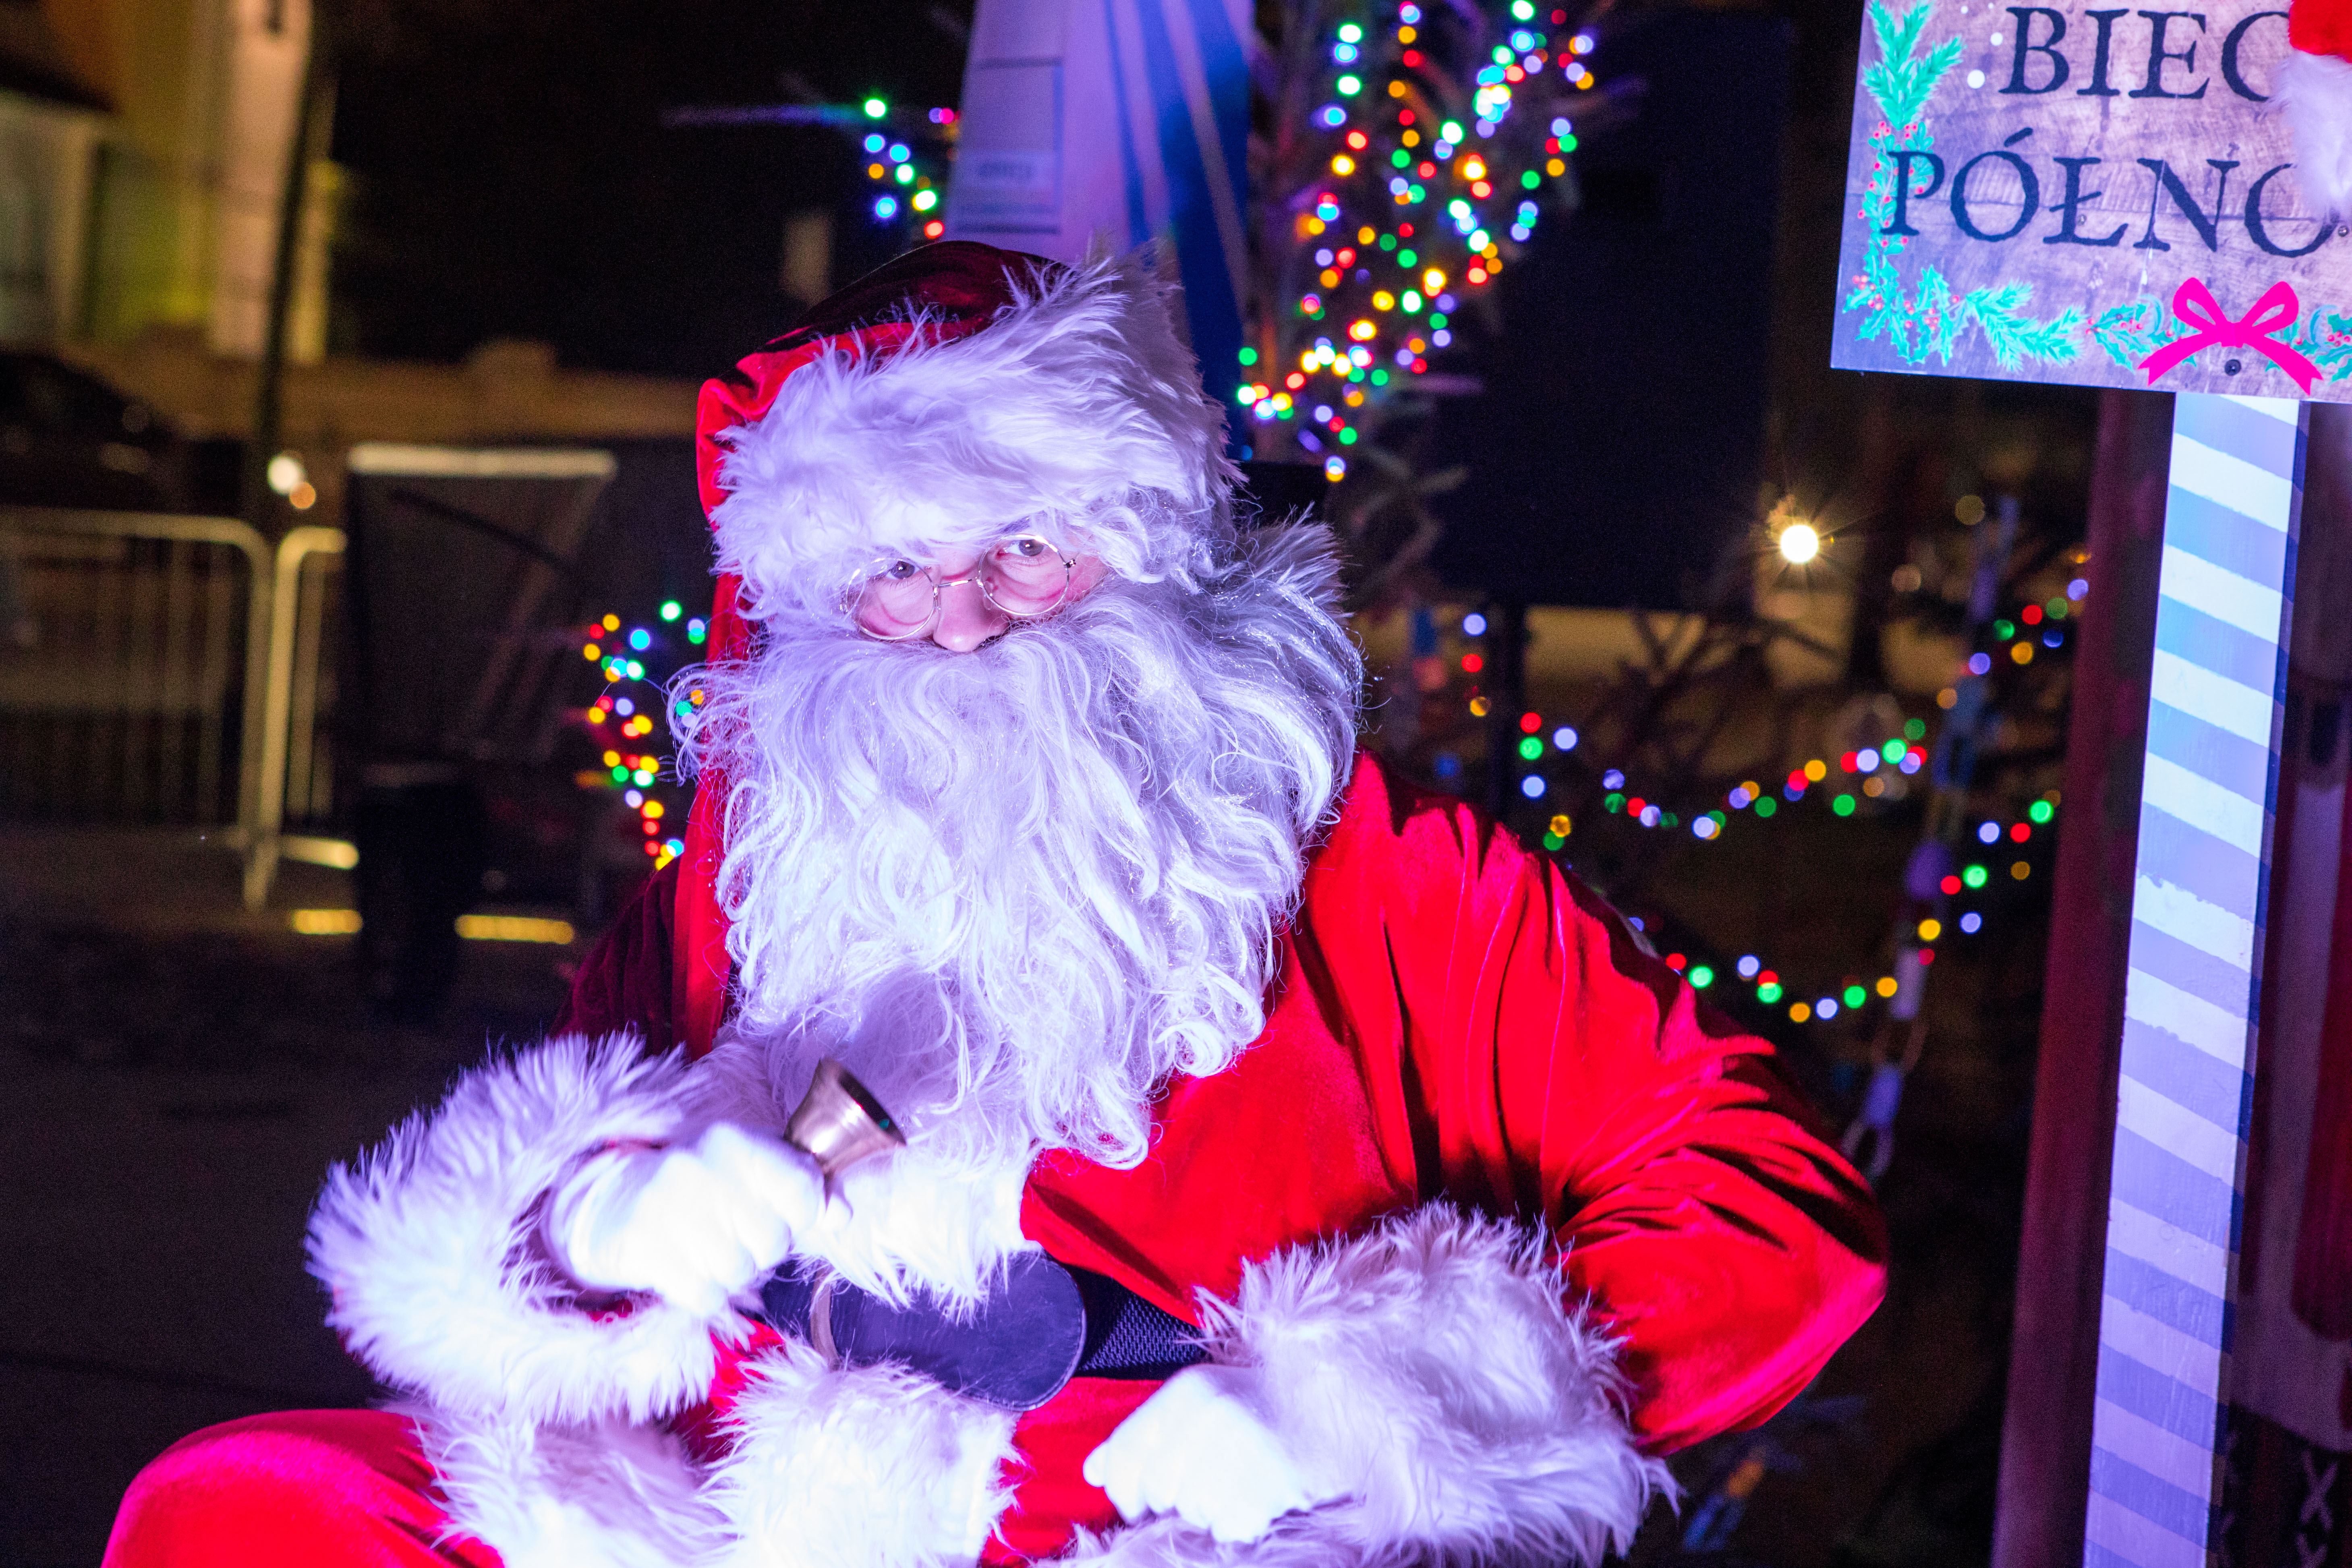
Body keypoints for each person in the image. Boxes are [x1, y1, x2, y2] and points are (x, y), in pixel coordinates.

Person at [105, 242, 1886, 1568]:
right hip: (749, 1499)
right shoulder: (761, 856)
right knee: (244, 1507)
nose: (960, 620)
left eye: (1023, 550)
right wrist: (599, 1241)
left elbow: (1767, 1204)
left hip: (1180, 1522)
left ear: (1145, 548)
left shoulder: (1374, 861)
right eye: (892, 569)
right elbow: (554, 1220)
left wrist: (1354, 1414)